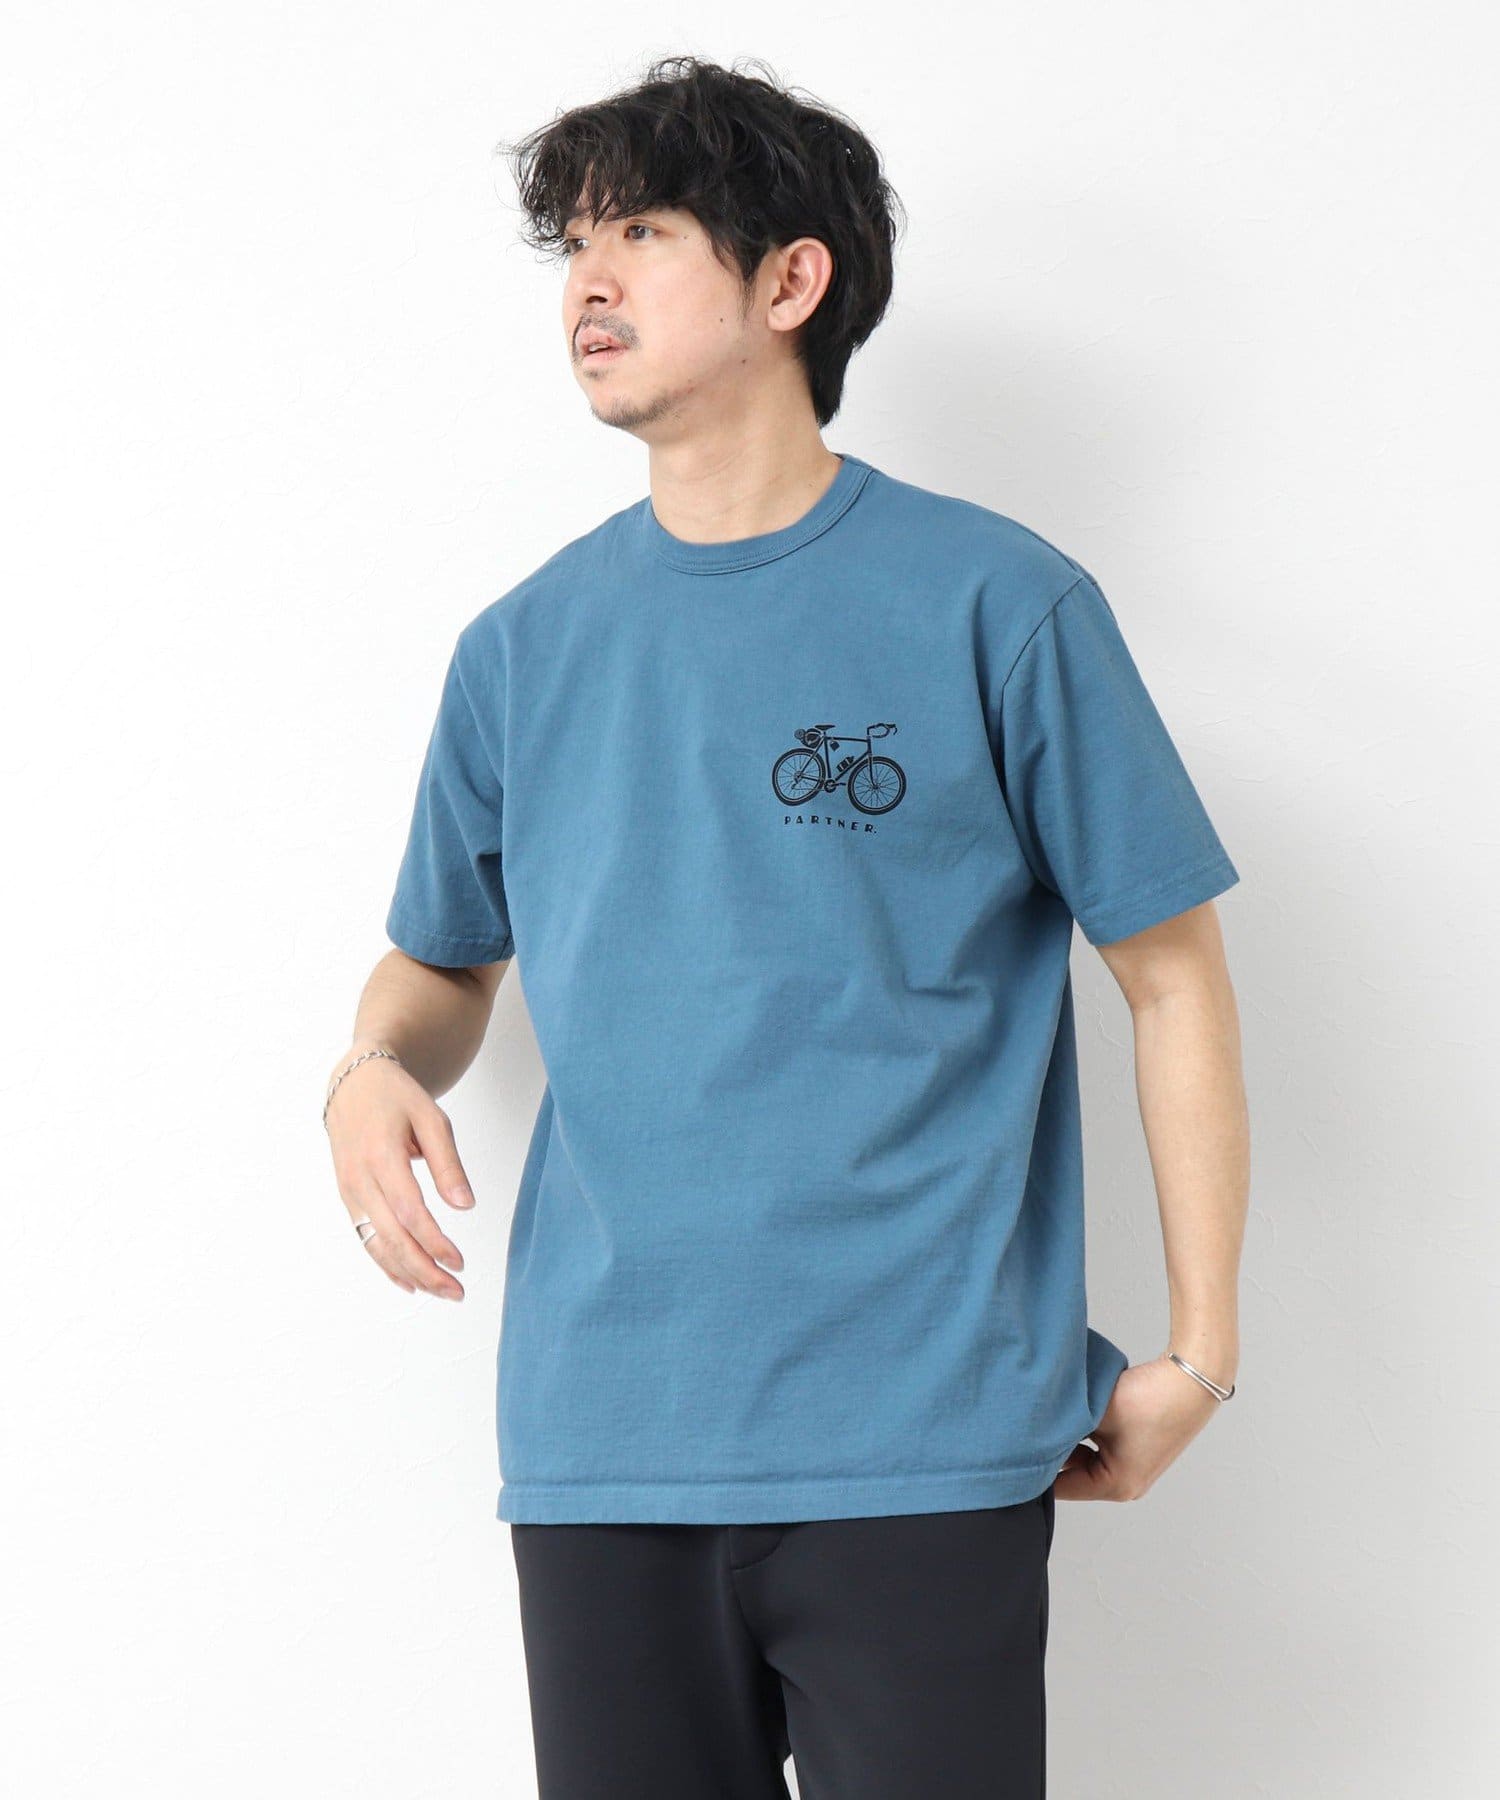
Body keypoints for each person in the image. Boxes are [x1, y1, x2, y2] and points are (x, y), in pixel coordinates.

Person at [323, 53, 1250, 1799]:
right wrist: (372, 1063)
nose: (587, 284)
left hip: (924, 1437)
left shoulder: (999, 602)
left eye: (641, 234)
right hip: (604, 1443)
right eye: (573, 247)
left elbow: (1172, 973)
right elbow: (442, 961)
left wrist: (1202, 1349)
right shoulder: (520, 649)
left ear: (790, 279)